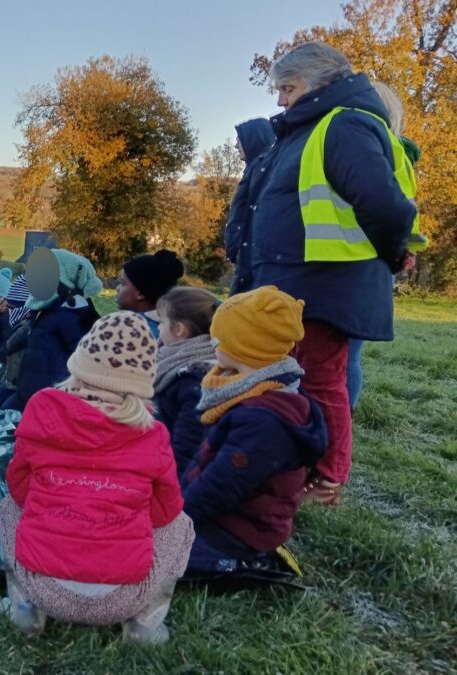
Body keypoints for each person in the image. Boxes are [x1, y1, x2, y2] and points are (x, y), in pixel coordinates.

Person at [247, 42, 419, 504]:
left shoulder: (344, 125)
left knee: (321, 379)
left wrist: (391, 253)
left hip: (325, 284)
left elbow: (386, 205)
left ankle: (326, 476)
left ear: (321, 81)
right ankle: (291, 464)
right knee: (295, 377)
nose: (280, 100)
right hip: (298, 280)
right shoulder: (310, 129)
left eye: (288, 87)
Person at [0, 311, 194, 644]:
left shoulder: (42, 407)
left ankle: (24, 608)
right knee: (181, 523)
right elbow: (164, 512)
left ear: (80, 363)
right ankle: (145, 624)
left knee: (8, 506)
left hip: (44, 586)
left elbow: (19, 488)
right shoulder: (153, 433)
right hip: (123, 596)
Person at [182, 286, 327, 575]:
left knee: (151, 556)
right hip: (223, 515)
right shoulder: (247, 390)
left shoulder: (263, 421)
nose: (211, 343)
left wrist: (176, 519)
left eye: (216, 337)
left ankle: (246, 563)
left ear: (241, 346)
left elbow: (221, 485)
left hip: (240, 530)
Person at [346, 81, 428, 411]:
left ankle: (334, 439)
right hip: (374, 265)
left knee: (342, 355)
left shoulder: (375, 152)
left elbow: (387, 211)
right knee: (348, 354)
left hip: (353, 262)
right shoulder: (399, 154)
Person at [15, 248, 101, 409]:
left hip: (51, 403)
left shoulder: (72, 316)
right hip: (33, 395)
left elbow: (84, 363)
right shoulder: (48, 311)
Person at [153, 288, 219, 474]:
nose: (158, 328)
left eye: (162, 322)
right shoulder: (174, 361)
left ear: (179, 329)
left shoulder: (194, 379)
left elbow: (188, 444)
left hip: (176, 472)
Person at [225, 120, 276, 294]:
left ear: (252, 139)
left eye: (239, 140)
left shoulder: (261, 169)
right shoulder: (254, 168)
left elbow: (254, 213)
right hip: (247, 256)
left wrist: (241, 249)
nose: (235, 145)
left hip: (251, 260)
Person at [0, 274, 32, 412]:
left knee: (6, 411)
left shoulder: (32, 325)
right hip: (13, 379)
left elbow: (8, 343)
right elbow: (4, 343)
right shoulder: (22, 322)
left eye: (14, 306)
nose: (11, 310)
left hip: (27, 383)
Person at [116, 250, 185, 338]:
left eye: (122, 283)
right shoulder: (175, 328)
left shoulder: (127, 330)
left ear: (140, 293)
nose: (117, 288)